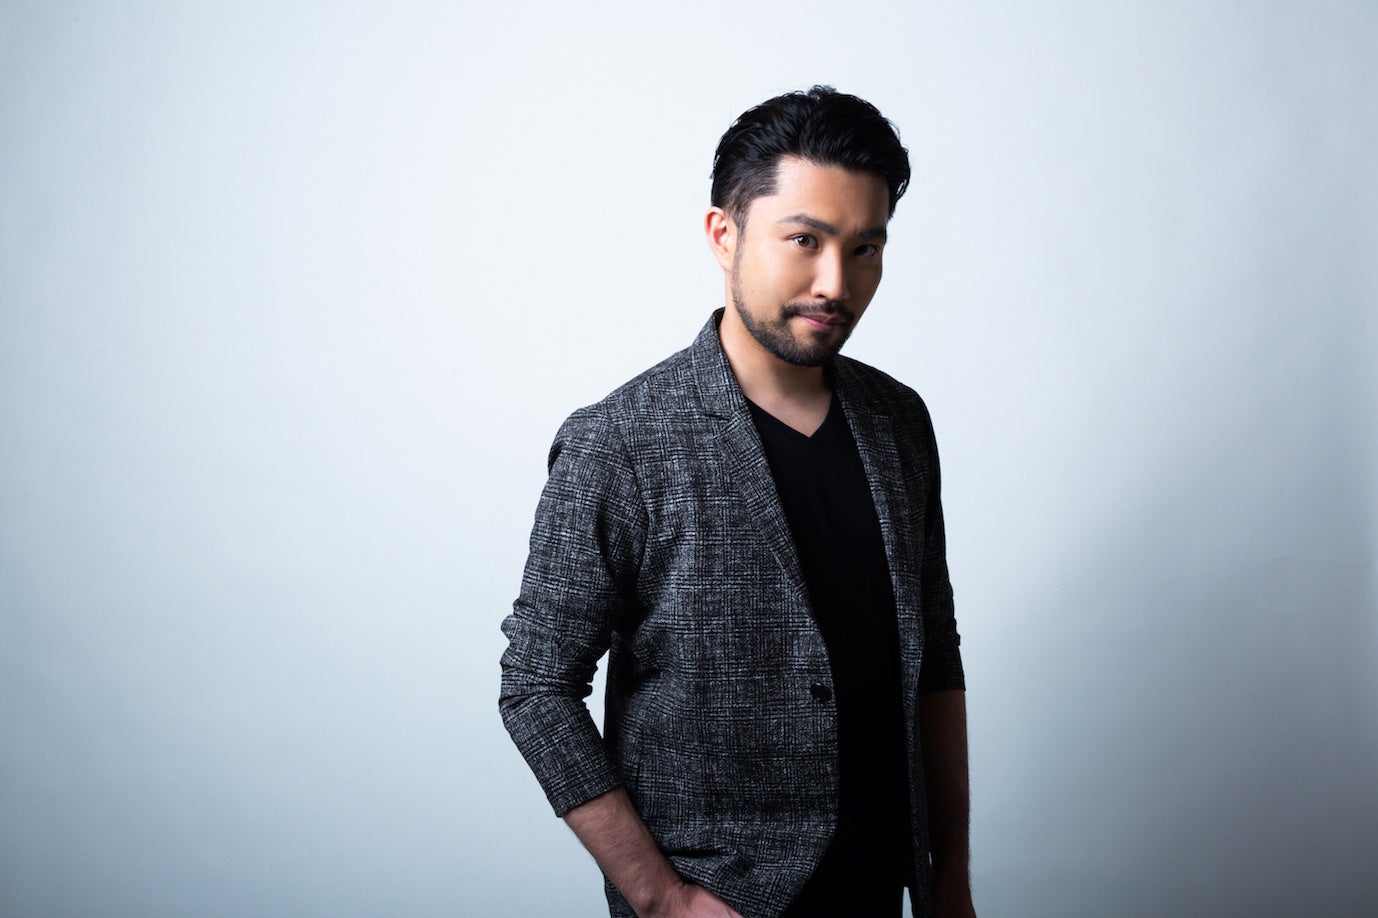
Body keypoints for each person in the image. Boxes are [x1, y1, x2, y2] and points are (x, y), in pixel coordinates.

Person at [499, 86, 974, 918]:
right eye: (805, 240)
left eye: (866, 248)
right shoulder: (620, 442)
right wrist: (661, 899)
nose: (836, 282)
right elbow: (536, 688)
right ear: (724, 234)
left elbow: (933, 656)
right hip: (723, 899)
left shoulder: (899, 421)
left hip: (884, 894)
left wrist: (950, 880)